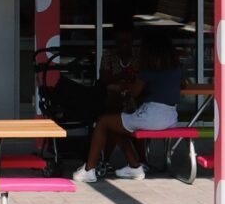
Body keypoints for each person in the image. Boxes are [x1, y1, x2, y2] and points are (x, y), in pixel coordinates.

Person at [76, 33, 184, 182]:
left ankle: (89, 170)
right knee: (116, 125)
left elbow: (134, 92)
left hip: (152, 116)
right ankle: (134, 166)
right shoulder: (176, 68)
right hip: (170, 118)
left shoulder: (148, 70)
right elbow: (181, 85)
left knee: (103, 122)